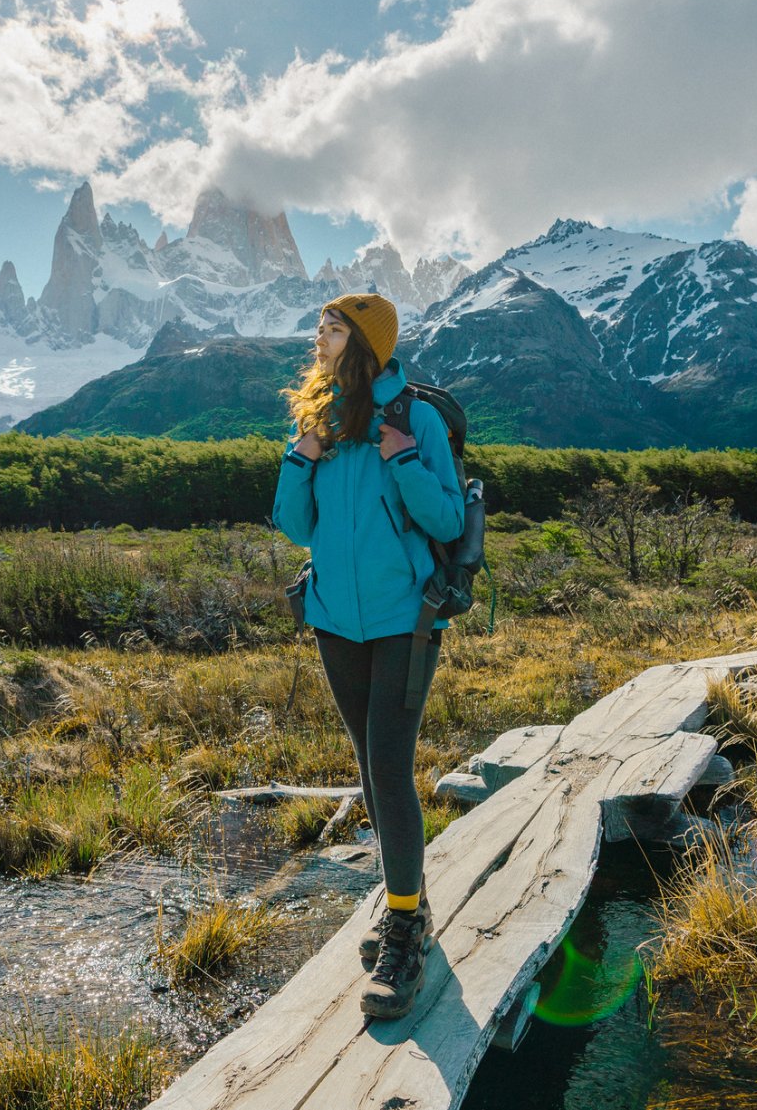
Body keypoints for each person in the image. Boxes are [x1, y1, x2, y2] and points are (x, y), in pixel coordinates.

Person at [273, 292, 466, 1021]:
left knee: (388, 763)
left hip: (404, 620)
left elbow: (446, 516)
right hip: (333, 620)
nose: (317, 334)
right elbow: (294, 524)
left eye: (330, 326)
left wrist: (406, 459)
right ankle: (405, 900)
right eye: (318, 322)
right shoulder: (316, 416)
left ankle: (407, 930)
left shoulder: (411, 416)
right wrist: (304, 453)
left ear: (363, 341)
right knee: (368, 764)